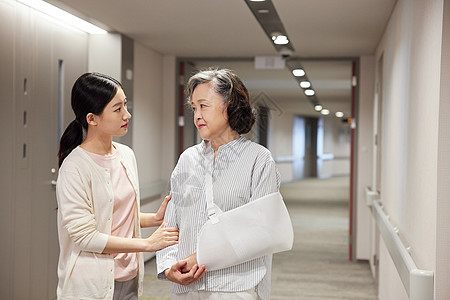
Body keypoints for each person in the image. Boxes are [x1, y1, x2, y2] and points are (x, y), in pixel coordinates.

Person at [156, 68, 281, 300]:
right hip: (187, 286)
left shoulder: (259, 159)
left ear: (230, 105)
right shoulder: (187, 159)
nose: (197, 116)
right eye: (194, 108)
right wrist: (168, 267)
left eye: (204, 106)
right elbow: (170, 225)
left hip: (235, 287)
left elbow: (262, 232)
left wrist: (200, 257)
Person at [56, 72, 179, 300]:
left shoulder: (125, 155)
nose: (127, 115)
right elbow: (85, 237)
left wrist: (152, 219)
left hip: (129, 278)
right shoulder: (74, 167)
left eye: (125, 105)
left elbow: (112, 214)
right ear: (92, 119)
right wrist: (147, 244)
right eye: (118, 109)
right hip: (91, 285)